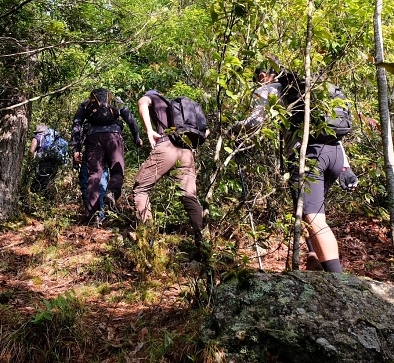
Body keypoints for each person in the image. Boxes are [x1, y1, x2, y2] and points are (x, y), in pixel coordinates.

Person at [235, 64, 358, 273]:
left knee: (315, 220)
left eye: (257, 79)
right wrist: (346, 166)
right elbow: (330, 132)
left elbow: (255, 122)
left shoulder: (271, 88)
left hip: (308, 157)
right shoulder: (308, 89)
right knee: (311, 215)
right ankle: (314, 263)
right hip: (334, 155)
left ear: (263, 76)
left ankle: (340, 283)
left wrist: (233, 128)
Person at [131, 90, 207, 257]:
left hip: (166, 147)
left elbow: (141, 103)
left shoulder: (153, 98)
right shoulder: (181, 109)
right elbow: (206, 131)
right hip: (187, 152)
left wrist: (149, 130)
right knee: (189, 196)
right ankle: (203, 244)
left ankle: (149, 244)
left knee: (140, 189)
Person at [70, 88, 141, 224]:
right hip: (114, 137)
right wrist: (137, 138)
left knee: (94, 176)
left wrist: (76, 148)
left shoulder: (86, 104)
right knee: (117, 170)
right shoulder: (116, 102)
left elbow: (77, 124)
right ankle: (112, 192)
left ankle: (92, 216)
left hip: (93, 138)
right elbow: (130, 119)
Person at [76, 122, 110, 214]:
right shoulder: (109, 127)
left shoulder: (89, 125)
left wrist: (77, 150)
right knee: (101, 188)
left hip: (89, 160)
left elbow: (80, 140)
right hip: (103, 162)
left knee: (87, 186)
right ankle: (98, 216)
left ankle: (91, 214)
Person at [30, 124, 62, 195]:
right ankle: (46, 199)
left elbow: (31, 151)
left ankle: (37, 199)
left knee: (39, 182)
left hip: (42, 163)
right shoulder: (53, 137)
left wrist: (30, 162)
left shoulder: (37, 137)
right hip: (54, 163)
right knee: (47, 181)